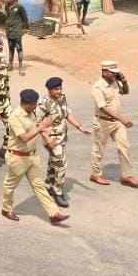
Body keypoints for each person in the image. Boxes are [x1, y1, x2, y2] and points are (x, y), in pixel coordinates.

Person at [1, 89, 71, 225]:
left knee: (39, 186)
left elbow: (36, 127)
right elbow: (24, 138)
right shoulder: (15, 116)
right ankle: (6, 209)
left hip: (32, 157)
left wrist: (44, 130)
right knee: (9, 185)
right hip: (18, 158)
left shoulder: (30, 113)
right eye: (34, 104)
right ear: (26, 103)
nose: (36, 106)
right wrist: (41, 127)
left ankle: (53, 213)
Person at [37, 77, 90, 208]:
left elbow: (68, 114)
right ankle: (58, 191)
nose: (59, 91)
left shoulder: (62, 98)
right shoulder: (44, 103)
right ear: (49, 90)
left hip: (62, 137)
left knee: (53, 162)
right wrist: (47, 138)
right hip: (52, 139)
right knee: (61, 165)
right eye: (56, 89)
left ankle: (49, 184)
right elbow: (37, 124)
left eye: (60, 88)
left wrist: (80, 126)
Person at [89, 60, 138, 188]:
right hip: (103, 121)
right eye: (112, 73)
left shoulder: (114, 82)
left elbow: (125, 92)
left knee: (124, 146)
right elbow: (103, 108)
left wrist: (124, 82)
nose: (114, 75)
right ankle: (95, 174)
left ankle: (126, 175)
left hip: (117, 122)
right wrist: (122, 119)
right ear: (104, 72)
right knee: (99, 149)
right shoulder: (97, 87)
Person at [1, 0, 28, 74]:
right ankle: (10, 65)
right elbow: (8, 16)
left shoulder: (19, 7)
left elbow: (25, 18)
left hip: (17, 31)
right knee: (10, 48)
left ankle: (20, 68)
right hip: (9, 31)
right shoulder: (6, 6)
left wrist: (24, 28)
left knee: (19, 49)